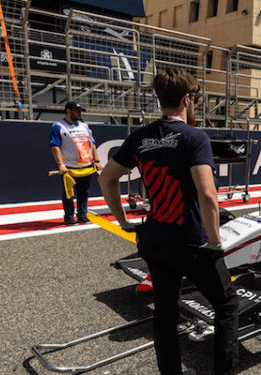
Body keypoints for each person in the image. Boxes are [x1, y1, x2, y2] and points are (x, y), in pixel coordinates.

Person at [98, 67, 239, 375]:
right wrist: (215, 242)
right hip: (190, 241)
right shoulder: (194, 137)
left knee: (165, 312)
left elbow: (107, 178)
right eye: (196, 99)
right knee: (227, 304)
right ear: (187, 99)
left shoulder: (139, 136)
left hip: (155, 240)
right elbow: (208, 195)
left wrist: (122, 221)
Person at [49, 102, 103, 225]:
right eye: (76, 110)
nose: (79, 113)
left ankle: (82, 215)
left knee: (84, 193)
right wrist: (61, 164)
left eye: (80, 111)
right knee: (68, 193)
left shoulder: (85, 126)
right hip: (69, 167)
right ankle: (68, 216)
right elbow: (55, 147)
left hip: (86, 166)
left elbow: (92, 144)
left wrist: (97, 160)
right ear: (68, 111)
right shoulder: (58, 127)